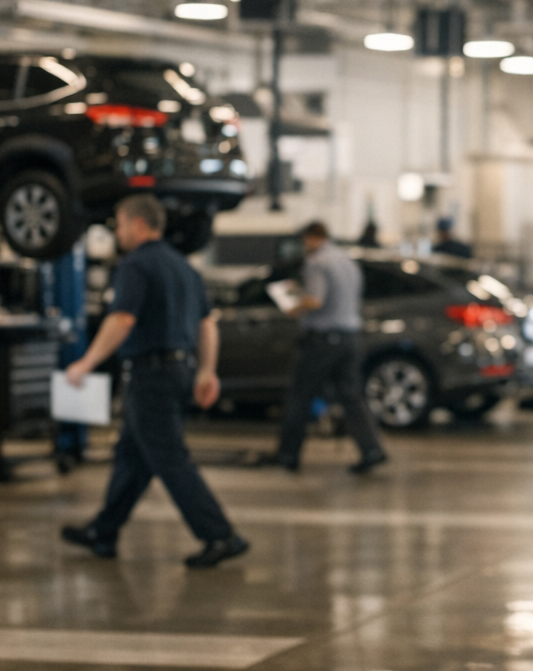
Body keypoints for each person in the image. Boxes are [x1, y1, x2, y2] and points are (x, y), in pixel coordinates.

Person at [59, 194, 249, 568]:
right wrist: (206, 371)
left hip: (151, 375)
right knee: (131, 457)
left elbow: (122, 320)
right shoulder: (183, 267)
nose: (117, 231)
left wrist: (85, 363)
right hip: (178, 371)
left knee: (170, 459)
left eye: (120, 223)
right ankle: (104, 530)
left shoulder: (136, 265)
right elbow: (207, 325)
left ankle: (220, 535)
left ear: (138, 223)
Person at [273, 221, 387, 474]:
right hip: (349, 337)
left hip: (323, 339)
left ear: (313, 238)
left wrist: (294, 306)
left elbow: (315, 300)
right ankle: (371, 449)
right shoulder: (347, 261)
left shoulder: (317, 262)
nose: (304, 246)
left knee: (300, 396)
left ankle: (287, 454)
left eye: (305, 241)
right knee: (352, 397)